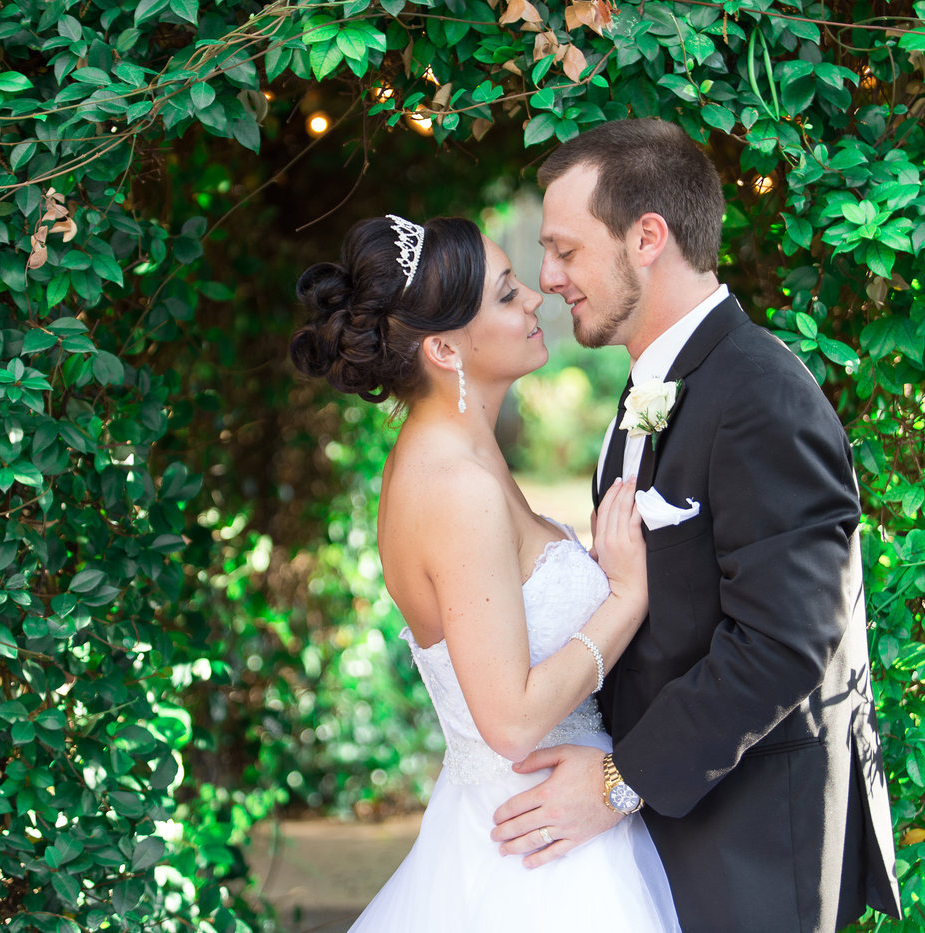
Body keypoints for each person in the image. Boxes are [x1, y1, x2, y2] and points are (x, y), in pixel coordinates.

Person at [489, 119, 904, 931]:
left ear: (647, 237)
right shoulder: (654, 385)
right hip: (672, 838)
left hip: (752, 846)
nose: (550, 276)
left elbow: (786, 640)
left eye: (567, 250)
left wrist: (619, 780)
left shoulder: (761, 395)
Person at [290, 214, 680, 931]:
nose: (534, 297)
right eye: (506, 294)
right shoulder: (453, 486)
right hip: (537, 857)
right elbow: (510, 718)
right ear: (443, 347)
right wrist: (624, 595)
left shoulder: (460, 454)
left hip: (552, 821)